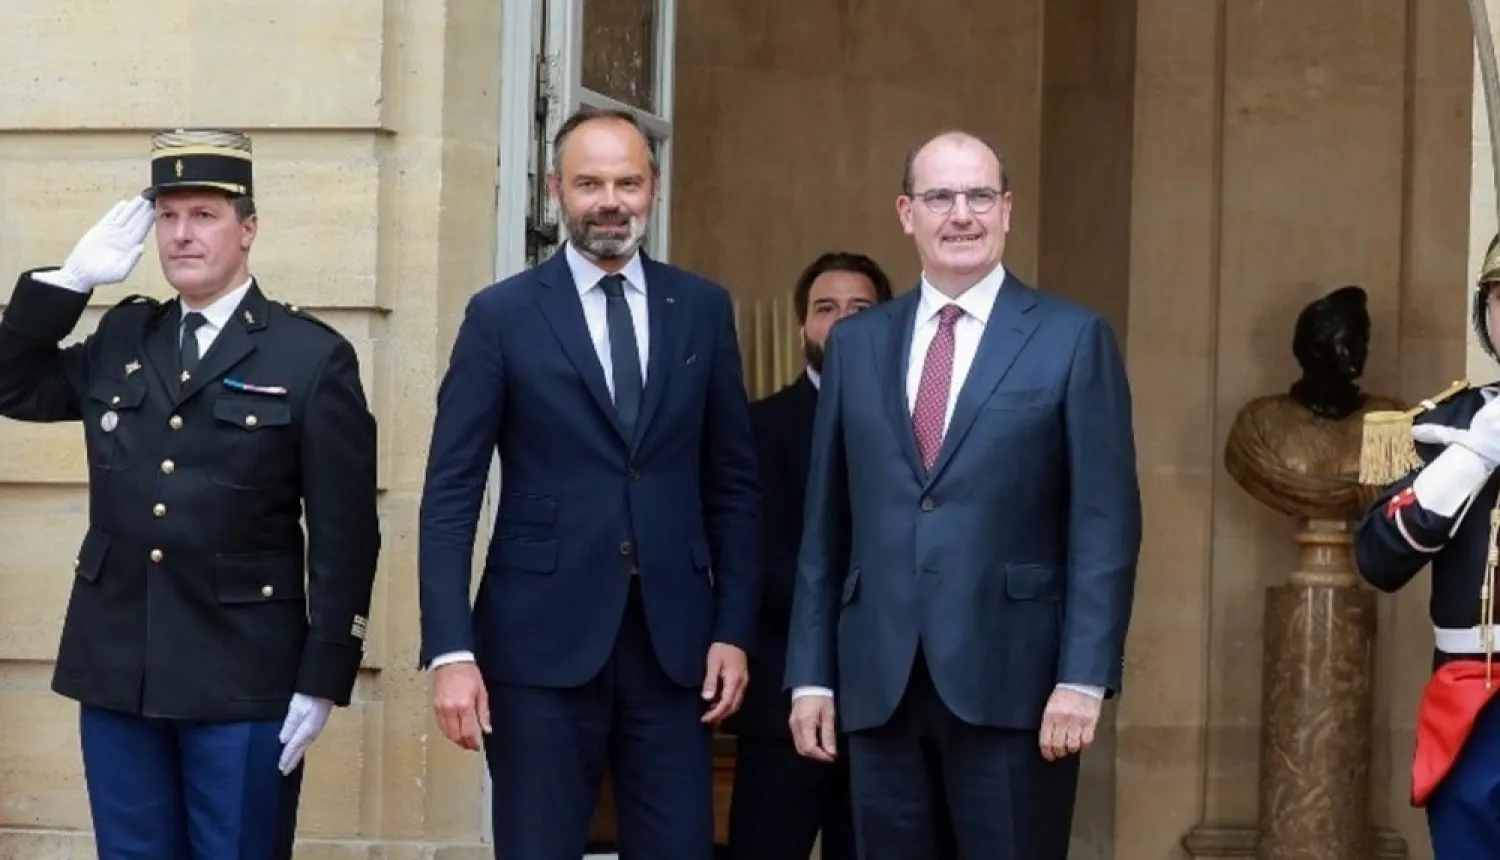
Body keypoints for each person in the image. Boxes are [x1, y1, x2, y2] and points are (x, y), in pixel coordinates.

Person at [0, 128, 379, 860]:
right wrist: (68, 283)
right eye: (167, 216)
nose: (181, 234)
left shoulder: (309, 356)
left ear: (248, 229)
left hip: (243, 675)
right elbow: (12, 386)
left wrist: (325, 673)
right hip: (120, 667)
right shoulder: (125, 336)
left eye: (204, 215)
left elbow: (346, 532)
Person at [783, 130, 1142, 860]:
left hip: (1015, 685)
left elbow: (1105, 524)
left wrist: (1082, 677)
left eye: (979, 196)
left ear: (1007, 209)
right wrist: (810, 677)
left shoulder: (1073, 337)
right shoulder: (856, 344)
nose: (961, 215)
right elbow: (826, 525)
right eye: (940, 197)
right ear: (906, 213)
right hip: (880, 684)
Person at [417, 106, 760, 860]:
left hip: (675, 649)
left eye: (627, 183)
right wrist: (450, 651)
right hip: (536, 645)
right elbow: (450, 494)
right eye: (590, 183)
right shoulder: (501, 315)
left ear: (654, 188)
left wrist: (734, 629)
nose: (610, 201)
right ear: (556, 191)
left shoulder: (702, 309)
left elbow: (734, 486)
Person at [724, 251, 900, 860]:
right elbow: (757, 558)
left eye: (860, 308)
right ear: (803, 327)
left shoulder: (923, 428)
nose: (843, 321)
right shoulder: (756, 427)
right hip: (782, 697)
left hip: (891, 711)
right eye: (827, 308)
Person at [1354, 235, 1500, 858]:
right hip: (1475, 702)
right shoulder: (1453, 424)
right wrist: (1474, 455)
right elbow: (1379, 558)